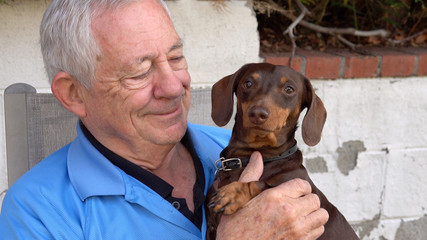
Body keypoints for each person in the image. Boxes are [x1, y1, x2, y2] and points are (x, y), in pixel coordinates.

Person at [0, 0, 328, 239]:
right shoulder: (38, 214)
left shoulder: (234, 151)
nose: (174, 86)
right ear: (73, 93)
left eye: (175, 57)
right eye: (140, 72)